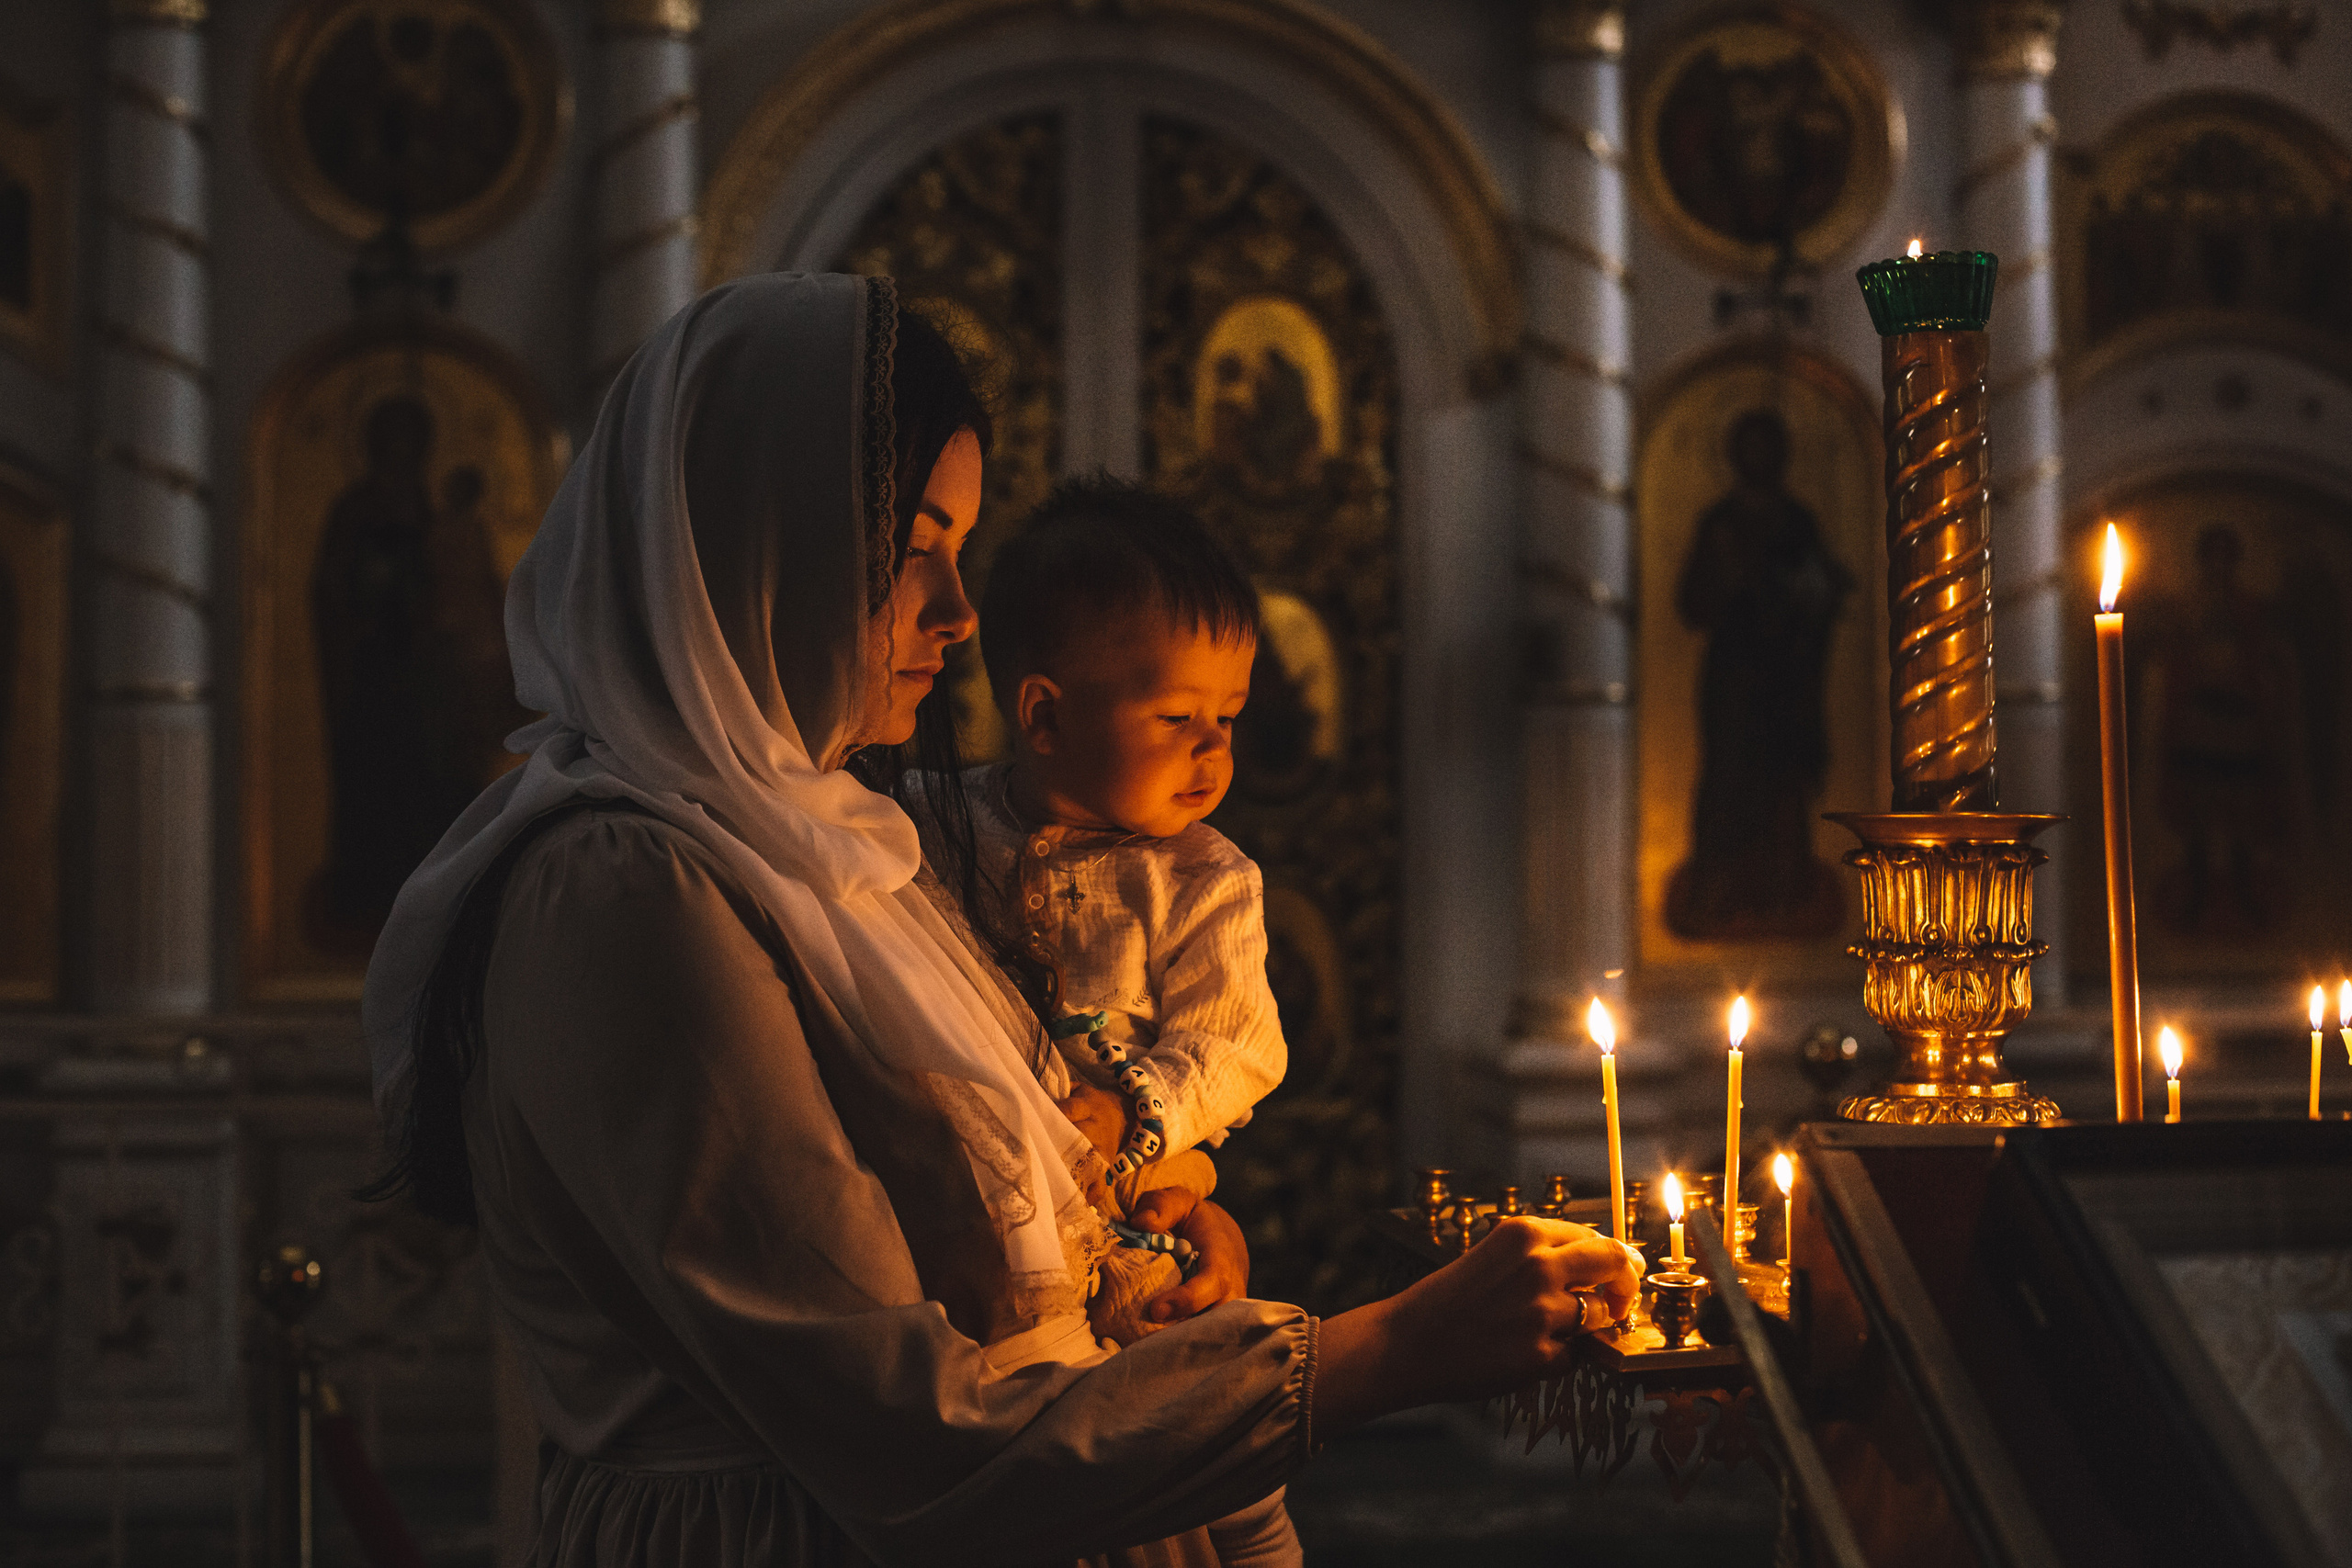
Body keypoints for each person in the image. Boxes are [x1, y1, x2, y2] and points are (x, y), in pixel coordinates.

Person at [362, 273, 1641, 1567]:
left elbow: (984, 1209)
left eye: (959, 553)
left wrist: (1131, 1253)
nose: (958, 614)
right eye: (915, 548)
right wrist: (1389, 1348)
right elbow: (900, 1420)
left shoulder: (831, 849)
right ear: (757, 542)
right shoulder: (626, 892)